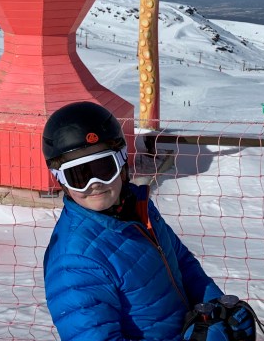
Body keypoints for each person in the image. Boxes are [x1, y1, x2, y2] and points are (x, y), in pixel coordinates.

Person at [41, 101, 224, 341]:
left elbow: (182, 262)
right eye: (79, 176)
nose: (95, 184)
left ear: (121, 162)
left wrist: (217, 310)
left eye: (103, 168)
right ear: (61, 180)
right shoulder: (75, 261)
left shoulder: (139, 209)